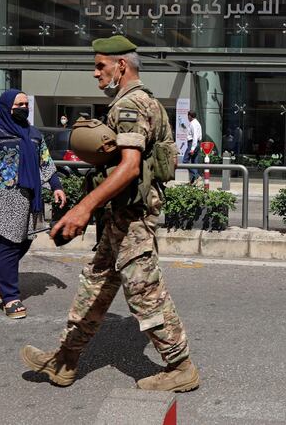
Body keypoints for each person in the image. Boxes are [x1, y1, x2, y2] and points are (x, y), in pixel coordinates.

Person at [20, 35, 199, 392]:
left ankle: (180, 367)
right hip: (120, 217)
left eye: (100, 65)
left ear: (122, 66)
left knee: (144, 291)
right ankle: (66, 360)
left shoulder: (131, 105)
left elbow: (131, 167)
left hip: (131, 217)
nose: (95, 73)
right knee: (96, 284)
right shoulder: (137, 102)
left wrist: (83, 208)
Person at [0, 91, 66, 319]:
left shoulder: (34, 134)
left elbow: (45, 162)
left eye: (26, 104)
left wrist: (56, 186)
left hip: (27, 199)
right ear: (6, 107)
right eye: (18, 104)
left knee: (23, 242)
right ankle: (10, 297)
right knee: (9, 245)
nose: (24, 107)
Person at [184, 110, 202, 184]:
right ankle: (192, 181)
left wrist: (192, 149)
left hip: (192, 143)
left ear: (189, 116)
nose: (187, 117)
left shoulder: (193, 124)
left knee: (185, 161)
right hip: (197, 143)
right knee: (194, 162)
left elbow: (195, 136)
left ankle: (197, 176)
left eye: (188, 116)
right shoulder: (197, 123)